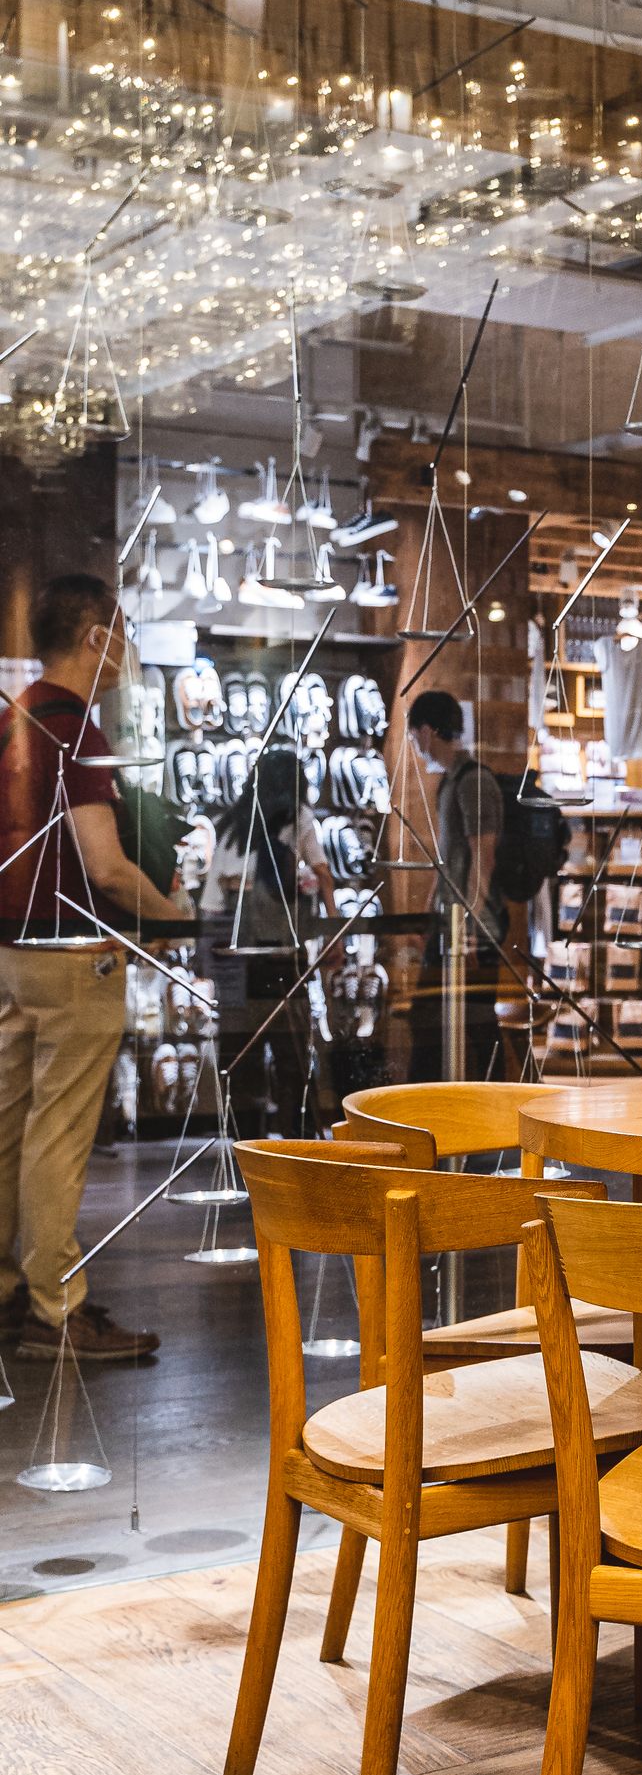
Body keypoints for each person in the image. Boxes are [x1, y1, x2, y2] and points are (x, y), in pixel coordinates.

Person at [0, 574, 191, 1360]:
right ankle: (55, 1306)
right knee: (59, 1133)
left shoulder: (14, 719)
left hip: (14, 951)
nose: (127, 653)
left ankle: (11, 1292)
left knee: (10, 1123)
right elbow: (106, 867)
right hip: (77, 954)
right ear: (95, 637)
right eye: (122, 634)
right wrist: (177, 916)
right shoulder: (76, 729)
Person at [199, 744, 328, 1139]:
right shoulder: (299, 819)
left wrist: (207, 959)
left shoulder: (231, 825)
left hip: (234, 956)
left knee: (240, 1054)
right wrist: (333, 931)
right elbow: (324, 874)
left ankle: (245, 1144)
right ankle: (297, 1142)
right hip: (281, 953)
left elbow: (211, 903)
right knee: (291, 1053)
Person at [405, 688, 506, 1082]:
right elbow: (449, 860)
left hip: (472, 928)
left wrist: (468, 928)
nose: (415, 744)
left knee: (478, 1028)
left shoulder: (473, 782)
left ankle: (505, 1122)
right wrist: (431, 913)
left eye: (415, 735)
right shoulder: (449, 782)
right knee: (434, 1024)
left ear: (428, 731)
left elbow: (484, 859)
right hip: (451, 923)